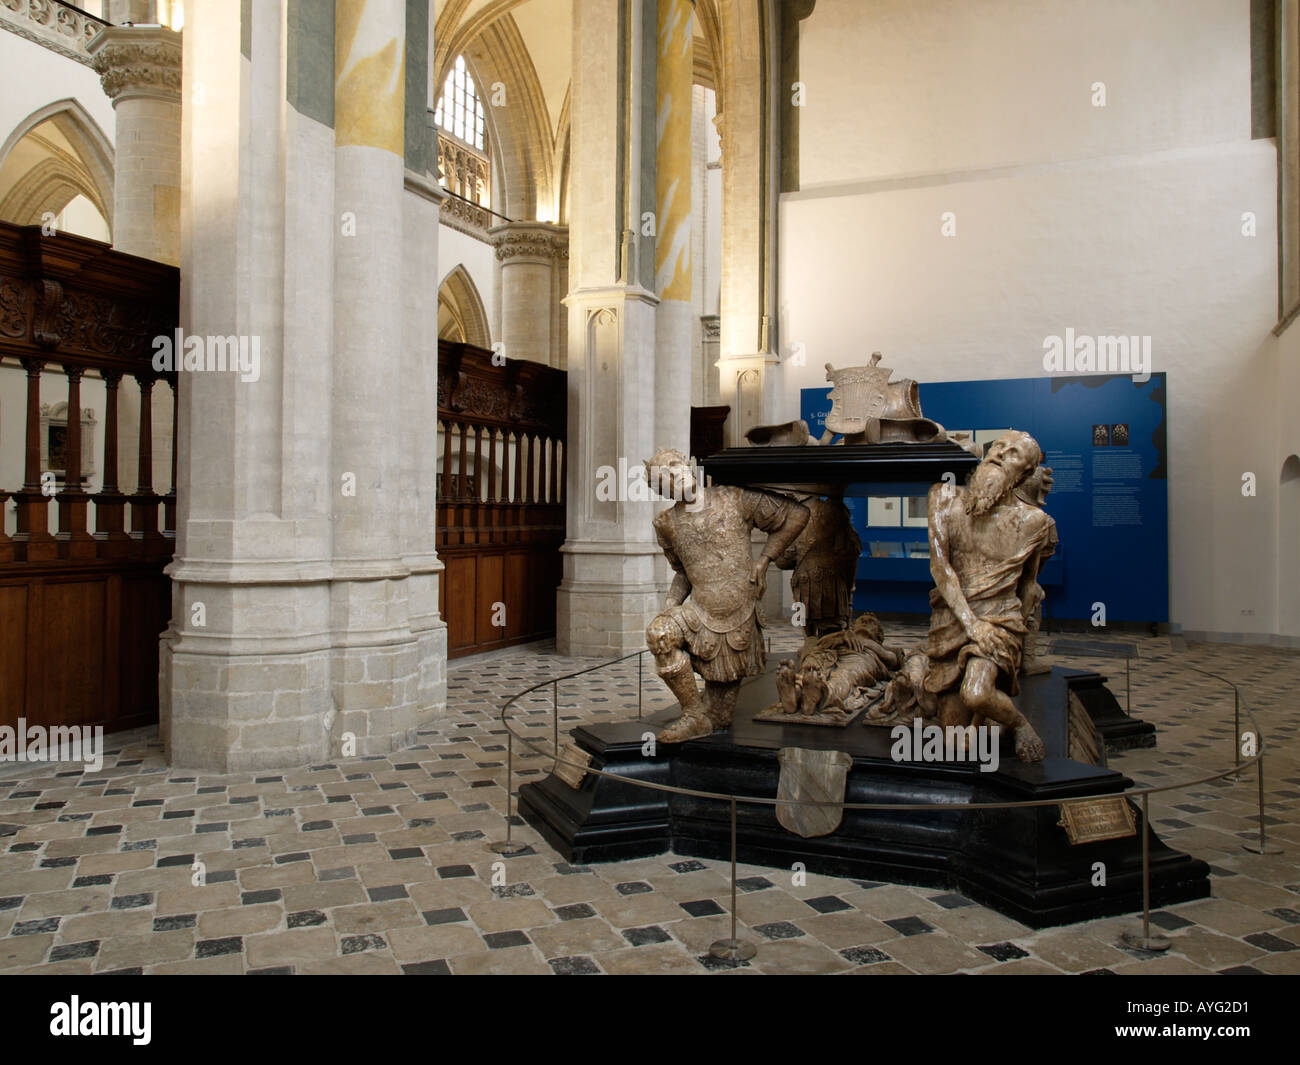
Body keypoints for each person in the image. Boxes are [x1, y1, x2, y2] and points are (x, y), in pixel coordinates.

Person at [645, 448, 809, 743]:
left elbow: (797, 514)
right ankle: (693, 715)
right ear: (660, 490)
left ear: (688, 464)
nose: (674, 475)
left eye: (674, 466)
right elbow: (683, 572)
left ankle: (705, 717)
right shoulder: (666, 523)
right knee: (659, 633)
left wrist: (765, 559)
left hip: (737, 617)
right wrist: (670, 605)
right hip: (699, 609)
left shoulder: (733, 497)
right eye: (663, 477)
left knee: (720, 717)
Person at [923, 430, 1054, 762]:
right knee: (953, 735)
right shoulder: (943, 497)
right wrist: (972, 626)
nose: (999, 454)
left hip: (999, 622)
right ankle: (990, 723)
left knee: (977, 694)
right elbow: (941, 568)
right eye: (998, 446)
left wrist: (1015, 642)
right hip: (953, 620)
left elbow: (1027, 586)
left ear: (1024, 474)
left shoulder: (1034, 522)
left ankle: (1021, 724)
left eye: (1012, 454)